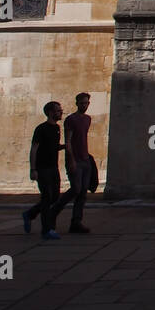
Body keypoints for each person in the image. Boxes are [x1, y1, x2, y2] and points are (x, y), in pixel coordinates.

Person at [22, 101, 64, 240]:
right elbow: (34, 149)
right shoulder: (41, 129)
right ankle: (46, 230)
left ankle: (30, 214)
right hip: (42, 168)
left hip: (53, 168)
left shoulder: (57, 128)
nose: (60, 112)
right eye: (58, 110)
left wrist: (65, 146)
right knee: (46, 198)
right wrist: (33, 169)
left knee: (55, 196)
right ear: (51, 113)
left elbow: (53, 147)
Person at [54, 92, 93, 234]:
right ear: (77, 103)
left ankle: (76, 222)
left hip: (85, 159)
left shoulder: (88, 119)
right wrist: (71, 160)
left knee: (82, 192)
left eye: (86, 103)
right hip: (75, 160)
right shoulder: (71, 119)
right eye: (82, 103)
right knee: (75, 189)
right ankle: (54, 211)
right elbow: (68, 140)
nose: (84, 105)